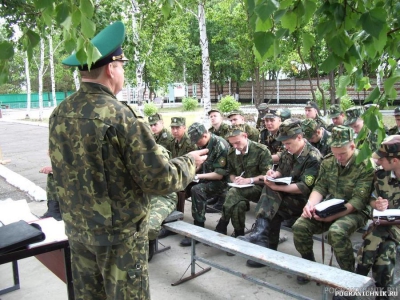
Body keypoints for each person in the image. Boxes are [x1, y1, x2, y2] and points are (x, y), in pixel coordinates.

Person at [49, 21, 208, 300]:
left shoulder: (61, 112)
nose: (122, 72)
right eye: (122, 66)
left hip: (78, 231)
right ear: (111, 68)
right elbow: (159, 180)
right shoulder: (120, 116)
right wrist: (190, 162)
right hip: (118, 239)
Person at [292, 126, 375, 287]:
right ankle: (310, 266)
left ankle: (348, 277)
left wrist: (331, 217)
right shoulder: (329, 161)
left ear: (352, 146)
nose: (338, 157)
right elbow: (320, 187)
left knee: (336, 232)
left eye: (342, 153)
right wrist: (310, 205)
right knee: (300, 226)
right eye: (335, 153)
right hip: (329, 207)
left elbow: (358, 200)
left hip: (355, 211)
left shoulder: (365, 164)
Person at [240, 118, 322, 268]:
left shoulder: (313, 157)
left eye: (288, 143)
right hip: (286, 195)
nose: (285, 146)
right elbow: (281, 169)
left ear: (299, 137)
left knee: (272, 198)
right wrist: (274, 175)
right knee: (271, 197)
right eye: (284, 143)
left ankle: (307, 263)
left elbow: (304, 187)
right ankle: (267, 248)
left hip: (305, 201)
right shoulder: (288, 151)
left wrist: (278, 187)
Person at [355, 135, 400, 298]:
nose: (378, 162)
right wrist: (377, 204)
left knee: (374, 236)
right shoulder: (382, 176)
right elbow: (372, 199)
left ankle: (356, 279)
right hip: (384, 224)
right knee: (386, 251)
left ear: (394, 160)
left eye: (382, 159)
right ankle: (383, 293)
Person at [214, 125, 272, 239]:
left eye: (237, 142)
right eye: (232, 144)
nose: (235, 146)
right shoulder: (232, 153)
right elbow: (230, 172)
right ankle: (239, 234)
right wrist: (234, 179)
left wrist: (249, 180)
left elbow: (267, 176)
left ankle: (222, 223)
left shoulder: (261, 151)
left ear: (245, 136)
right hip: (239, 188)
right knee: (238, 205)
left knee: (233, 192)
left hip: (259, 188)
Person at [180, 123, 230, 246]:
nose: (196, 144)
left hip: (221, 182)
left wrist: (196, 176)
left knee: (197, 190)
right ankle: (174, 219)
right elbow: (201, 164)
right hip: (206, 177)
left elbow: (219, 175)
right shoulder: (202, 143)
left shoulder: (220, 145)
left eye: (197, 141)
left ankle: (199, 227)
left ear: (205, 135)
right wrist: (191, 174)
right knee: (180, 186)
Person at [147, 146, 178, 262]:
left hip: (163, 196)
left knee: (150, 226)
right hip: (145, 194)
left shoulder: (159, 152)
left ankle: (149, 245)